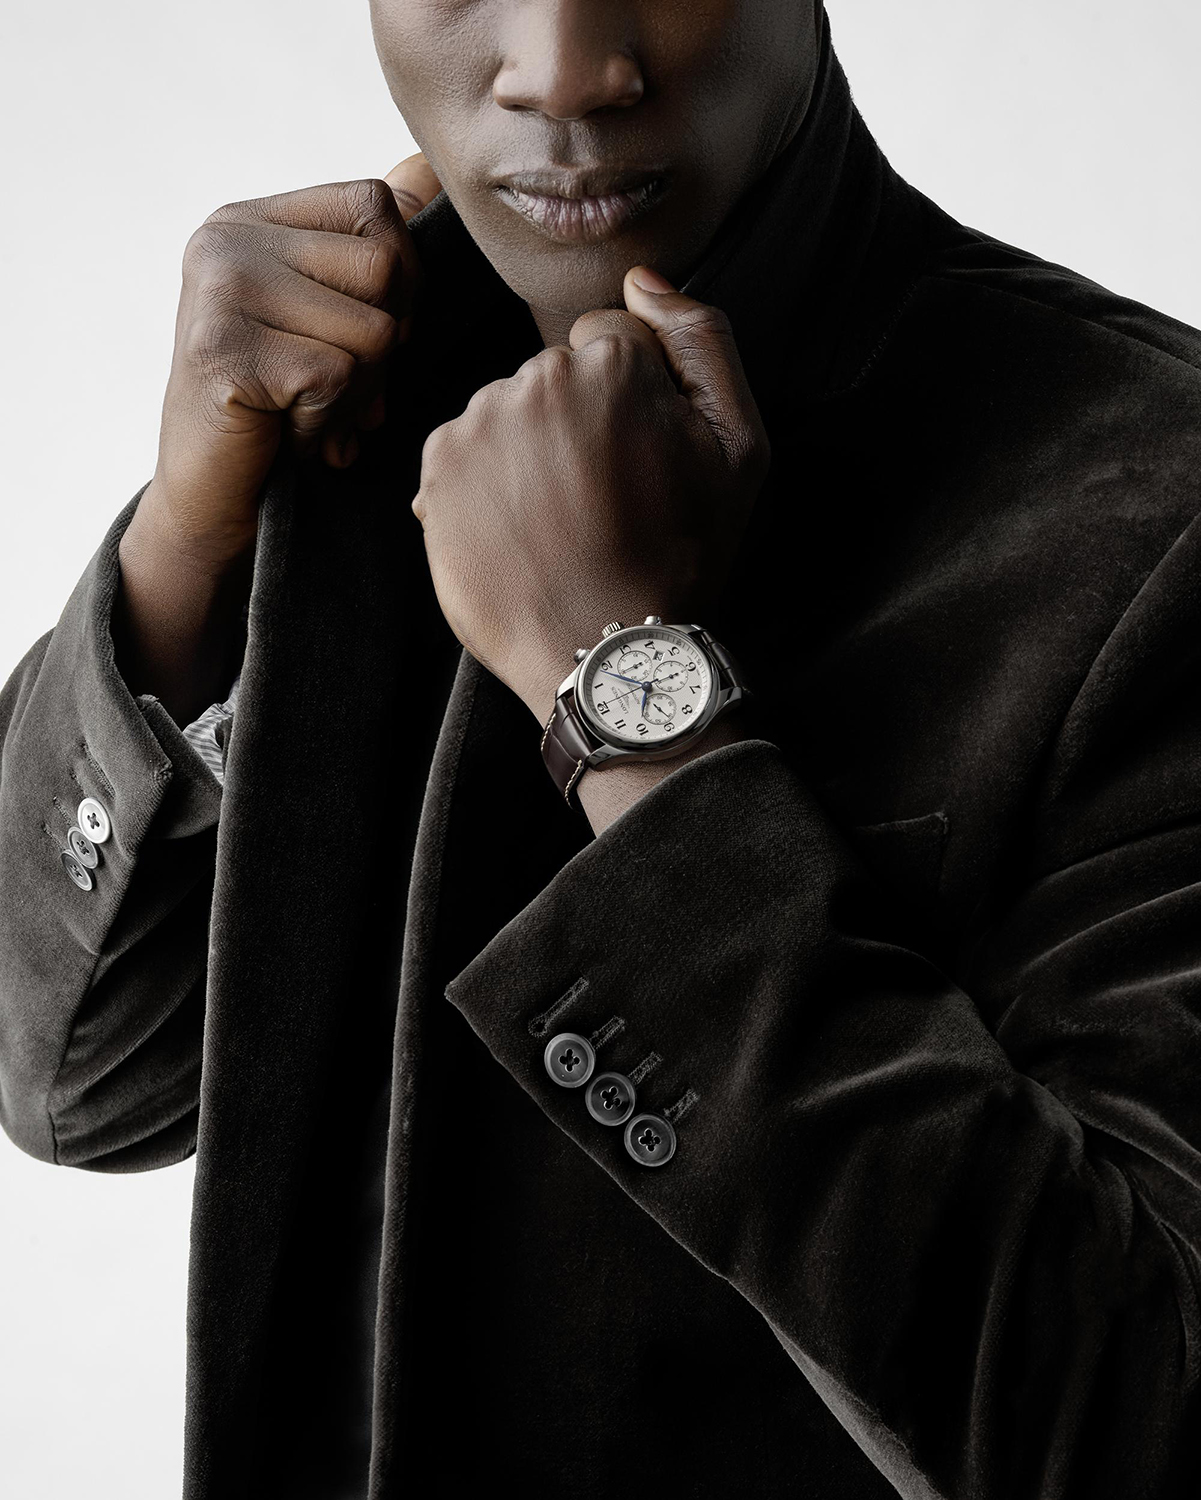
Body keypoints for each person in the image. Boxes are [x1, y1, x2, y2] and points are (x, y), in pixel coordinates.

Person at [3, 2, 1201, 1496]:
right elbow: (72, 1085)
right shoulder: (343, 404)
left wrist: (631, 716)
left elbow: (1134, 1436)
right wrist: (184, 549)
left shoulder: (1154, 510)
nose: (561, 71)